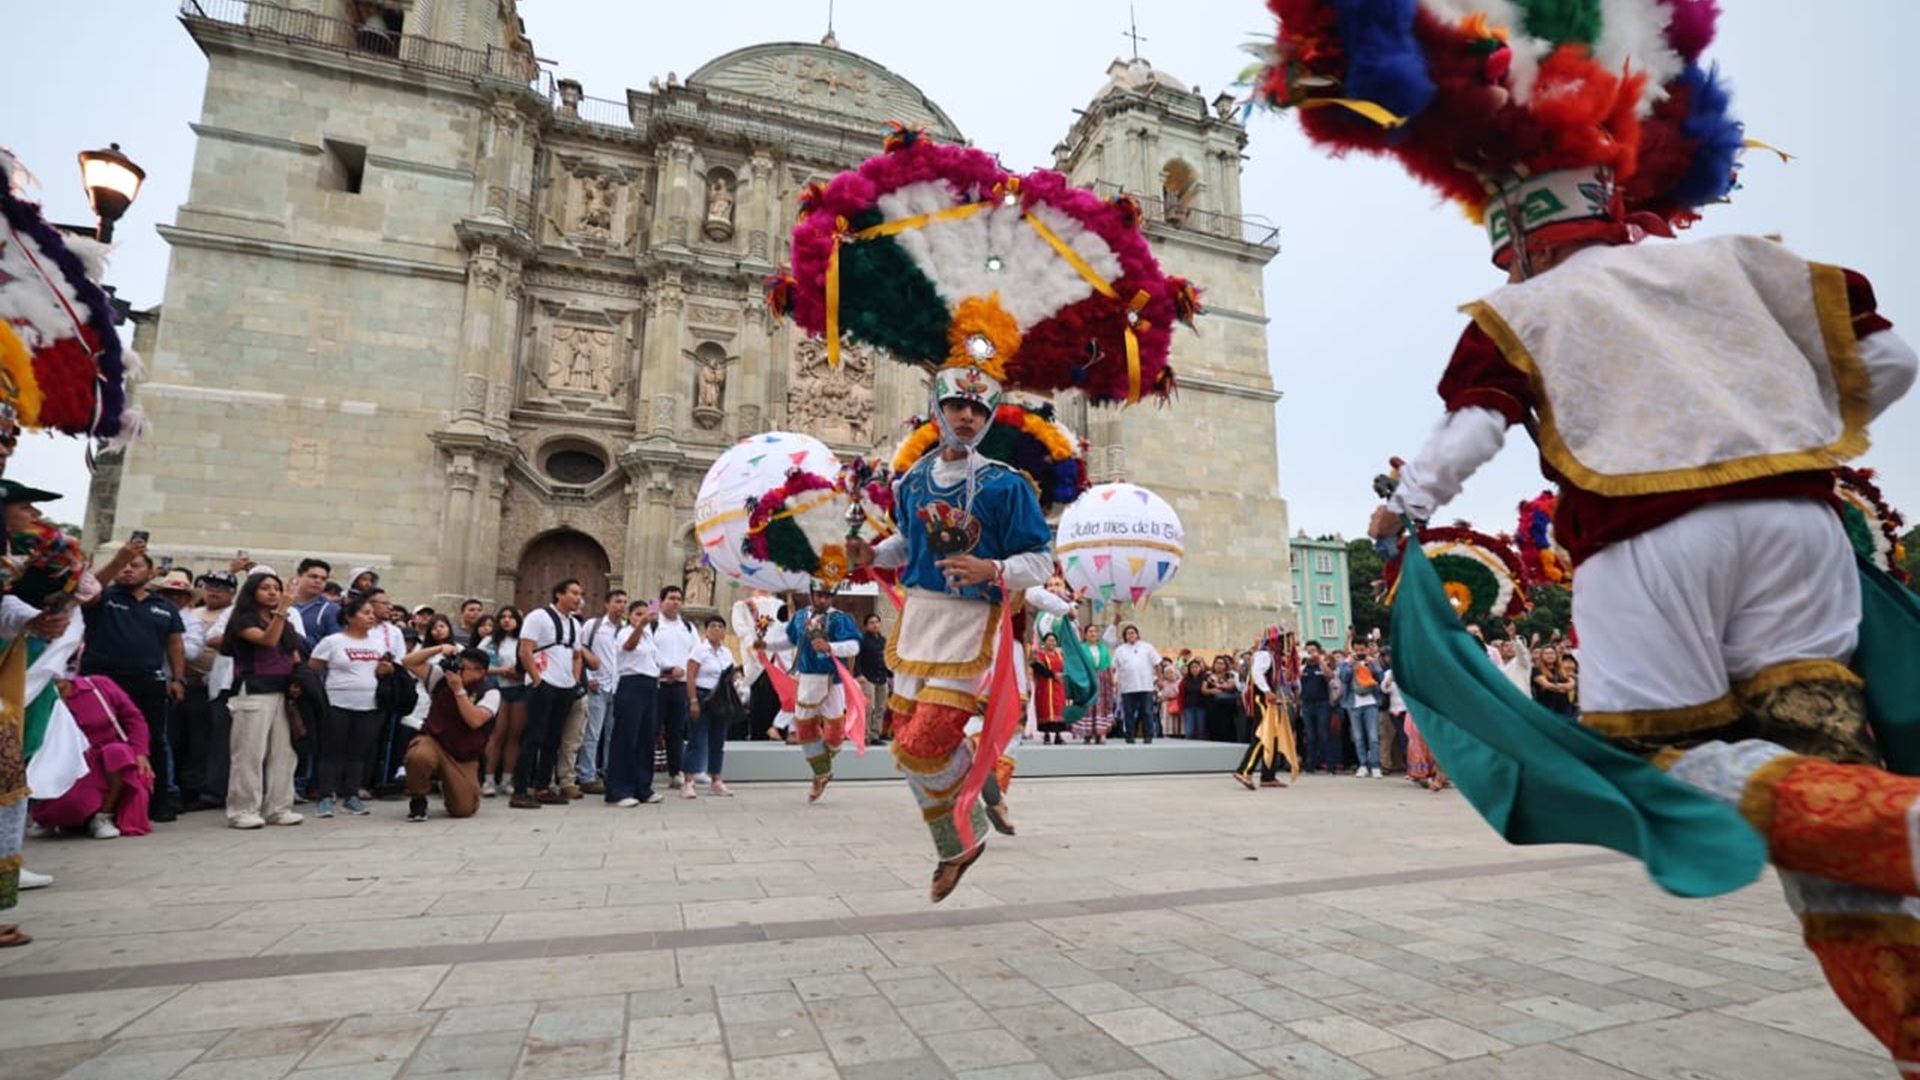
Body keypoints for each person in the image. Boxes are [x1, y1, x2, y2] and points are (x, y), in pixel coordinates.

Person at [1245, 0, 1920, 1059]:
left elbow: (1473, 430)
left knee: (1663, 763)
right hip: (1804, 535)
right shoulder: (1741, 261)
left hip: (1648, 548)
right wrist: (1784, 432)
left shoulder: (1529, 309)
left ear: (1513, 231)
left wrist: (1402, 509)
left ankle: (1907, 831)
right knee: (1822, 757)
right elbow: (1889, 362)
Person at [849, 366, 1053, 901]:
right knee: (906, 746)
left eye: (978, 410)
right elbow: (907, 545)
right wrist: (872, 554)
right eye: (958, 406)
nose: (967, 416)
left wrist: (995, 570)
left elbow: (1040, 559)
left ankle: (968, 827)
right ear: (938, 412)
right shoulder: (913, 479)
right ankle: (956, 844)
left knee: (926, 742)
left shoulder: (1006, 484)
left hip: (970, 625)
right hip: (917, 622)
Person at [79, 543, 188, 822]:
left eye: (135, 565)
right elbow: (85, 591)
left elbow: (175, 643)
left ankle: (159, 802)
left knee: (155, 742)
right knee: (96, 741)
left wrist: (178, 678)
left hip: (148, 682)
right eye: (125, 565)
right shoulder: (103, 597)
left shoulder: (164, 606)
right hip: (101, 682)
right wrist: (118, 559)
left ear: (151, 573)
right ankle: (92, 806)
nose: (128, 569)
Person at [306, 594, 414, 817]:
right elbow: (313, 668)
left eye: (372, 614)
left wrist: (389, 670)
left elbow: (391, 668)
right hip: (337, 704)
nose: (371, 617)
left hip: (370, 705)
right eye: (365, 613)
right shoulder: (333, 642)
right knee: (332, 751)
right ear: (349, 616)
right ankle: (326, 796)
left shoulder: (377, 644)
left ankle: (352, 795)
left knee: (358, 752)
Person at [222, 570, 307, 829]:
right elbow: (268, 641)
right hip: (253, 691)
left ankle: (279, 807)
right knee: (249, 753)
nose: (272, 592)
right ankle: (242, 810)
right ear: (252, 592)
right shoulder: (242, 619)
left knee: (284, 753)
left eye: (276, 587)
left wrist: (299, 682)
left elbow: (294, 656)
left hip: (281, 692)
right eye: (265, 588)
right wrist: (282, 610)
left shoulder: (285, 622)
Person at [30, 670, 154, 839]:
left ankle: (103, 817)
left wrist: (140, 752)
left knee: (117, 753)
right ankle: (51, 817)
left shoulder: (99, 685)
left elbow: (133, 717)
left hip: (105, 760)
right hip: (66, 760)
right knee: (71, 807)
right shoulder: (37, 697)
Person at [767, 585, 861, 801]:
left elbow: (854, 646)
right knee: (804, 730)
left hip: (832, 681)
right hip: (806, 679)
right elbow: (790, 640)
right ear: (811, 595)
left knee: (835, 735)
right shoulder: (800, 617)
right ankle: (821, 773)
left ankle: (822, 767)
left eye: (828, 596)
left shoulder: (839, 618)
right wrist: (767, 645)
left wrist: (830, 647)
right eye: (819, 595)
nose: (823, 600)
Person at [399, 644, 500, 821]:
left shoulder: (490, 692)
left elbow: (474, 721)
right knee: (418, 755)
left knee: (463, 810)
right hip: (435, 741)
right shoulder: (441, 679)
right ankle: (418, 799)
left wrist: (459, 691)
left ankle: (449, 785)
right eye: (458, 665)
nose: (458, 671)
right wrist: (438, 648)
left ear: (481, 672)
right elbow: (408, 662)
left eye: (464, 668)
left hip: (463, 754)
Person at [511, 580, 583, 809]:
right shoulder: (538, 617)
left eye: (579, 594)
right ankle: (520, 790)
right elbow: (525, 650)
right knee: (534, 736)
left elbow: (576, 655)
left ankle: (543, 786)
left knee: (554, 738)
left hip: (564, 686)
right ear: (558, 594)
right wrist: (537, 679)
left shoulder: (574, 624)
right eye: (573, 593)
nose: (578, 598)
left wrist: (574, 680)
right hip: (543, 683)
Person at [605, 599, 662, 807]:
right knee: (626, 737)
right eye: (638, 614)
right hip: (631, 684)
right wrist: (639, 626)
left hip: (649, 685)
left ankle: (642, 787)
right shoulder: (624, 633)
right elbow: (629, 647)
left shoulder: (650, 637)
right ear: (629, 616)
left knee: (646, 737)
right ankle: (620, 789)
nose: (643, 617)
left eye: (645, 614)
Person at [648, 585, 698, 789]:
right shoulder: (653, 626)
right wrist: (667, 670)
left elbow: (695, 654)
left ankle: (675, 771)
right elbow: (648, 651)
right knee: (651, 729)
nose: (676, 602)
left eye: (679, 598)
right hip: (657, 685)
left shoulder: (688, 627)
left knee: (676, 731)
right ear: (662, 601)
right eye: (671, 598)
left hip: (681, 686)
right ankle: (645, 771)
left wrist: (683, 674)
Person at [683, 615, 738, 797]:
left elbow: (730, 676)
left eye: (720, 626)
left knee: (718, 740)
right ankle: (688, 780)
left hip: (720, 698)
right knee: (696, 739)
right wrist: (693, 700)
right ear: (706, 630)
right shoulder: (699, 650)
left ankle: (716, 778)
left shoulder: (727, 652)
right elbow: (690, 675)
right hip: (701, 694)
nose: (717, 629)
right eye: (713, 626)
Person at [480, 606, 525, 797]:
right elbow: (479, 664)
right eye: (503, 617)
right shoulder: (490, 641)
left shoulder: (523, 641)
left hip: (519, 689)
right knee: (497, 735)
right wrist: (502, 671)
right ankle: (489, 779)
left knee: (515, 735)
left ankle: (507, 779)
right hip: (498, 688)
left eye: (511, 617)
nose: (507, 620)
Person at [1106, 621, 1163, 744]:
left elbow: (1158, 663)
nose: (1130, 635)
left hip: (1146, 686)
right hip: (1127, 687)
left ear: (1137, 634)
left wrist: (1160, 679)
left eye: (1133, 633)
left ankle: (1148, 736)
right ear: (1125, 636)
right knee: (1129, 713)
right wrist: (1112, 679)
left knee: (1147, 712)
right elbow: (1112, 666)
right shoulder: (1120, 650)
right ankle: (1130, 736)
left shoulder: (1147, 647)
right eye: (1127, 633)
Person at [855, 612, 891, 744]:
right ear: (866, 626)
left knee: (881, 707)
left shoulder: (883, 640)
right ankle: (865, 735)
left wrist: (890, 674)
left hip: (882, 677)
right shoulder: (862, 640)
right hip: (867, 677)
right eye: (871, 623)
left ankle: (875, 734)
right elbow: (856, 658)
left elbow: (885, 658)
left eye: (877, 622)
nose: (875, 625)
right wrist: (858, 674)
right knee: (868, 707)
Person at [1031, 633, 1067, 744]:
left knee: (1059, 709)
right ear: (1044, 642)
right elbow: (1037, 667)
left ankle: (1058, 735)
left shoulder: (1060, 655)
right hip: (1045, 685)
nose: (1052, 643)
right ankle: (1046, 734)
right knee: (1045, 708)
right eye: (1049, 640)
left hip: (1058, 687)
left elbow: (1065, 668)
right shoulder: (1039, 655)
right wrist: (1053, 675)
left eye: (1054, 641)